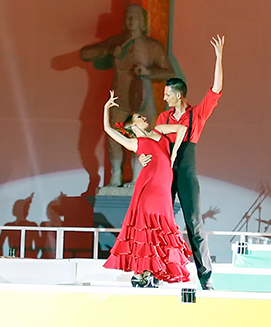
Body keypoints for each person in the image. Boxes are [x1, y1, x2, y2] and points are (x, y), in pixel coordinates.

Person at [139, 35, 225, 290]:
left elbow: (216, 90)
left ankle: (206, 278)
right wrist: (142, 156)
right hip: (163, 173)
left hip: (186, 172)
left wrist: (219, 58)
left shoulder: (196, 114)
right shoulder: (164, 117)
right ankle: (153, 274)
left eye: (167, 94)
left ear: (178, 95)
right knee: (160, 223)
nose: (164, 98)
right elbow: (153, 143)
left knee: (194, 224)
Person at [102, 91, 191, 287]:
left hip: (163, 183)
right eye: (139, 118)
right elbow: (108, 130)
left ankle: (153, 268)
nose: (144, 118)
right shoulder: (135, 142)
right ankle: (142, 271)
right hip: (148, 185)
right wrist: (106, 108)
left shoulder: (159, 130)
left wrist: (174, 151)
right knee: (147, 226)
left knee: (163, 225)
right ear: (133, 125)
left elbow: (182, 128)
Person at [79, 4, 175, 187]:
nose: (131, 20)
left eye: (136, 16)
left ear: (143, 21)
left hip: (142, 101)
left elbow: (169, 73)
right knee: (114, 136)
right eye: (128, 16)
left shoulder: (152, 46)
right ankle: (116, 173)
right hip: (118, 100)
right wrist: (107, 51)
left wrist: (147, 73)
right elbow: (85, 54)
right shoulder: (117, 41)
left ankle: (138, 176)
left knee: (140, 138)